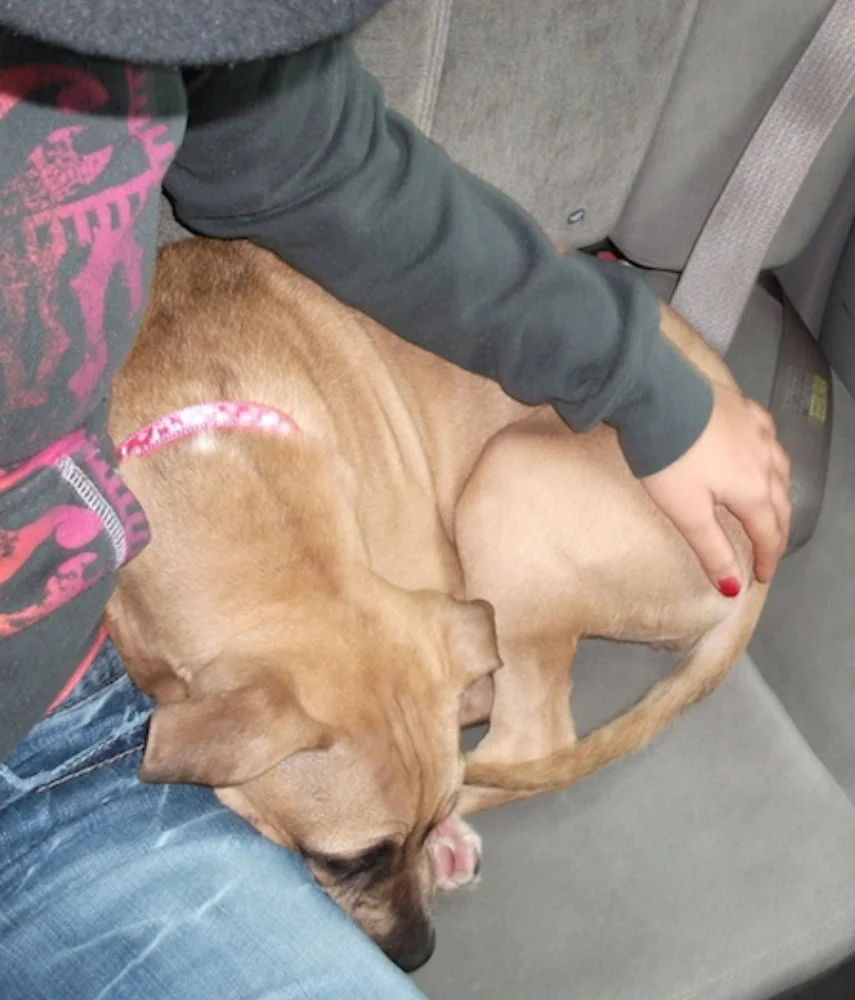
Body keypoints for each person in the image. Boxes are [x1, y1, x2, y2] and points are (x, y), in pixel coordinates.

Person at [0, 1, 792, 996]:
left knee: (501, 504)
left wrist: (645, 384)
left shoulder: (180, 28)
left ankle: (521, 722)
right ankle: (490, 739)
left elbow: (319, 163)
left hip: (664, 520)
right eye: (362, 857)